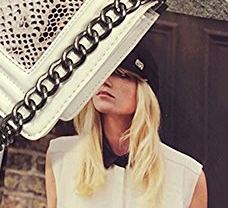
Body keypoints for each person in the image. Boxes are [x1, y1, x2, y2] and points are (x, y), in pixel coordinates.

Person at [45, 43, 208, 207]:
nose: (105, 81)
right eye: (100, 72)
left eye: (121, 75)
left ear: (144, 92)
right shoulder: (60, 156)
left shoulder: (188, 176)